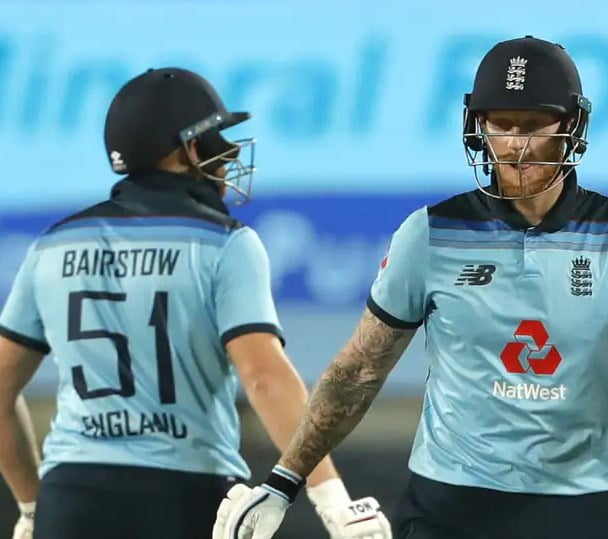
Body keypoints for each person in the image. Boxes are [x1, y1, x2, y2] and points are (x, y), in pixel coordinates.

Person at [213, 36, 608, 539]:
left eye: (534, 124)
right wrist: (284, 481)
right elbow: (358, 371)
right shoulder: (430, 232)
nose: (515, 145)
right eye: (500, 124)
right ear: (477, 125)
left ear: (571, 125)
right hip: (448, 506)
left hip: (576, 508)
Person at [0, 67, 388, 539]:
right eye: (214, 137)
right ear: (186, 150)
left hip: (72, 499)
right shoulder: (224, 243)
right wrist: (332, 499)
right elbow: (264, 377)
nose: (228, 152)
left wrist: (33, 507)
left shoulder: (52, 246)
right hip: (184, 493)